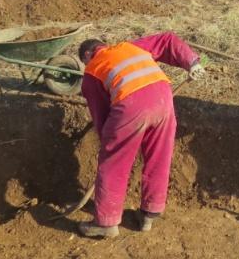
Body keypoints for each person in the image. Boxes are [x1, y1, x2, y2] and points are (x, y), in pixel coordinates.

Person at [76, 33, 205, 238]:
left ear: (88, 55)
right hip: (164, 98)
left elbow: (101, 116)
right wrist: (192, 62)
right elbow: (167, 39)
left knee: (113, 161)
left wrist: (113, 144)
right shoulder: (130, 47)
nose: (86, 66)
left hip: (132, 103)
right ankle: (149, 214)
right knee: (158, 156)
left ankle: (106, 222)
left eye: (84, 62)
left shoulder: (92, 71)